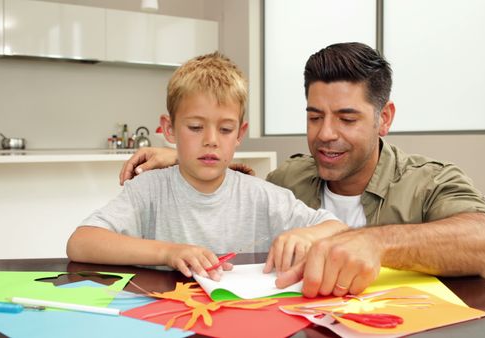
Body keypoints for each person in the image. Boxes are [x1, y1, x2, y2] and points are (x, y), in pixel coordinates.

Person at [118, 42, 485, 297]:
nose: (326, 134)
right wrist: (183, 158)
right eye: (315, 117)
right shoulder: (290, 178)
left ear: (384, 119)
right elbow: (240, 189)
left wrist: (376, 244)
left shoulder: (427, 182)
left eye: (347, 118)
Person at [66, 52, 347, 282]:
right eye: (196, 127)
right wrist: (168, 253)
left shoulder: (261, 195)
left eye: (225, 129)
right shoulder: (149, 189)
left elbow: (337, 228)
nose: (211, 140)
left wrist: (306, 233)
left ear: (240, 133)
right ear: (169, 129)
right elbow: (81, 242)